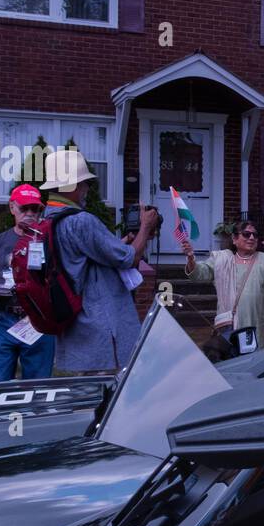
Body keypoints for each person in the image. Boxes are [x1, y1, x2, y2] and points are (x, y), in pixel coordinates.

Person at [40, 149, 159, 373]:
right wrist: (145, 226)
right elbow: (129, 258)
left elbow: (89, 255)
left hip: (75, 318)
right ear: (72, 186)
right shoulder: (82, 221)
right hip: (101, 322)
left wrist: (124, 241)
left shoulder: (48, 219)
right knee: (105, 393)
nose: (86, 190)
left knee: (84, 390)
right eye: (85, 184)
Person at [0, 183, 55, 380]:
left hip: (39, 320)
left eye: (35, 209)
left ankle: (34, 412)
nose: (29, 213)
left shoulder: (51, 241)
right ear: (12, 208)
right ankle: (0, 412)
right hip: (3, 319)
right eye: (23, 208)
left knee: (38, 386)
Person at [179, 221, 264, 354]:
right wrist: (191, 259)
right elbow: (199, 273)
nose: (252, 238)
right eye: (247, 234)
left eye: (255, 235)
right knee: (233, 364)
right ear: (234, 239)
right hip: (231, 328)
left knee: (257, 364)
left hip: (259, 326)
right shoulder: (222, 260)